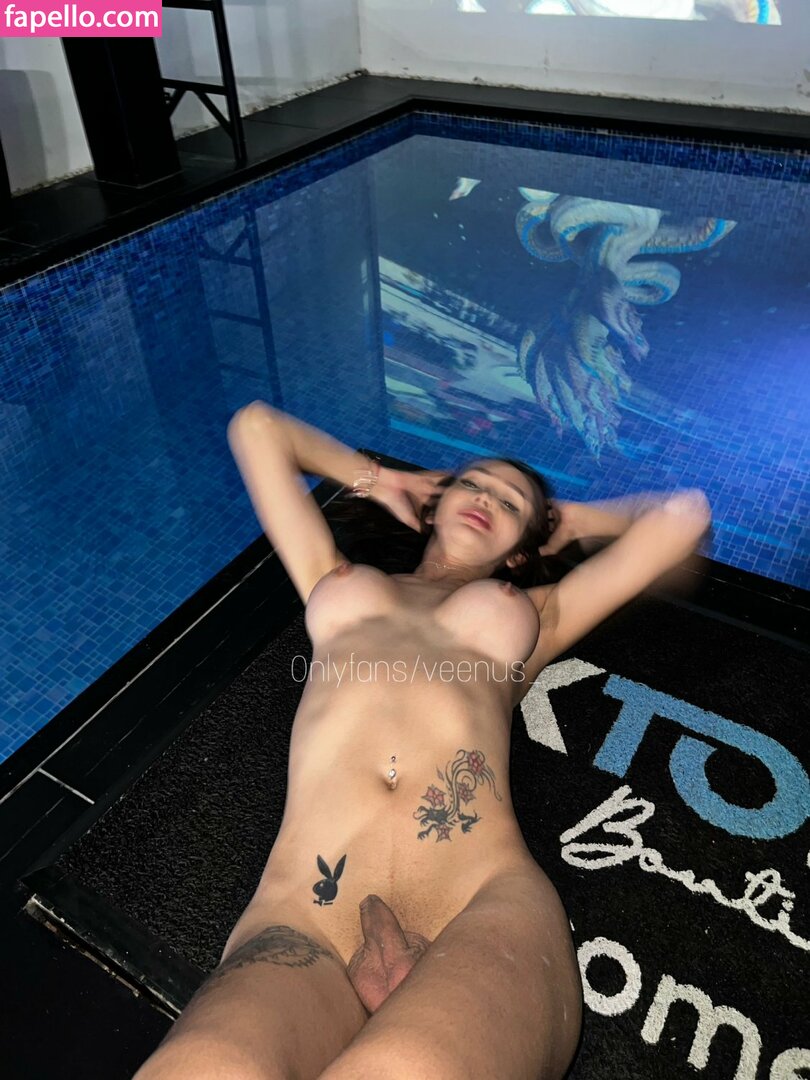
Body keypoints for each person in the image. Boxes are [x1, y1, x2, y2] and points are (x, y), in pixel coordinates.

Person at [134, 400, 711, 1080]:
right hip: (308, 911)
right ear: (437, 503)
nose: (487, 499)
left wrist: (570, 522)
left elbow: (683, 516)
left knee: (408, 1068)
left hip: (474, 892)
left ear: (522, 550)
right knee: (206, 1067)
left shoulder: (538, 615)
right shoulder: (331, 576)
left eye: (511, 504)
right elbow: (257, 427)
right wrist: (379, 479)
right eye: (474, 483)